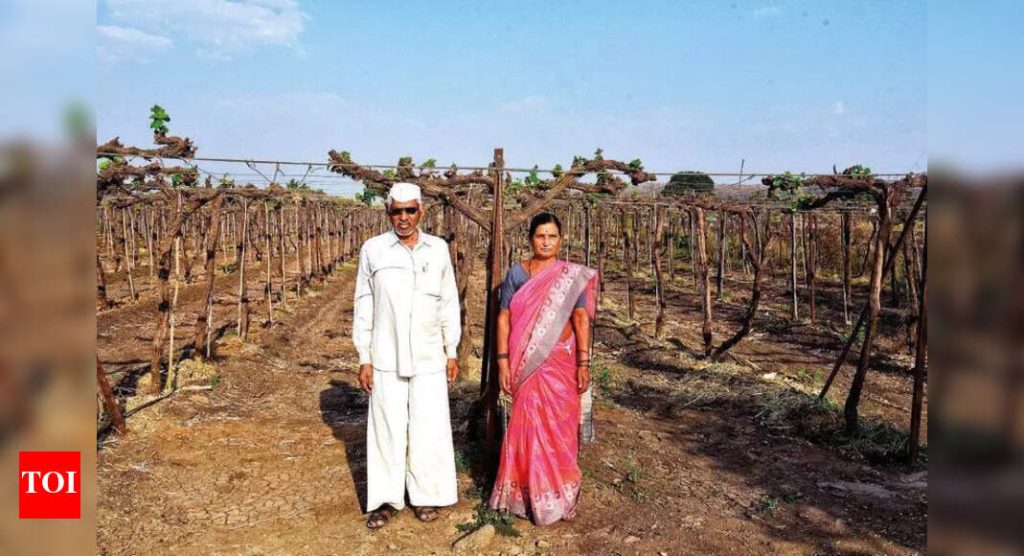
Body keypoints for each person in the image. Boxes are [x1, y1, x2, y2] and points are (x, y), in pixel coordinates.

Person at [352, 182, 461, 529]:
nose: (403, 218)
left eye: (409, 210)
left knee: (428, 427)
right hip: (386, 354)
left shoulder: (438, 249)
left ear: (421, 211)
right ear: (388, 213)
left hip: (430, 355)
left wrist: (451, 350)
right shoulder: (374, 250)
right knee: (387, 427)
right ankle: (386, 501)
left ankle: (425, 496)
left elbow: (448, 301)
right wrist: (364, 355)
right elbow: (364, 303)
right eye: (396, 211)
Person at [489, 212, 599, 525]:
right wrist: (502, 363)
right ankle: (525, 494)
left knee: (560, 425)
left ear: (560, 239)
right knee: (527, 424)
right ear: (530, 239)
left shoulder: (570, 276)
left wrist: (583, 362)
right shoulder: (518, 274)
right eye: (540, 236)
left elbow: (580, 319)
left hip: (562, 362)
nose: (546, 242)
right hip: (526, 362)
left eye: (552, 236)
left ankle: (559, 494)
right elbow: (504, 318)